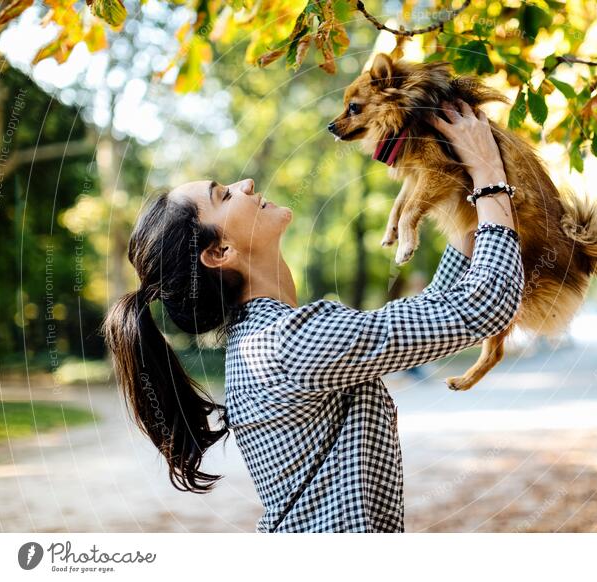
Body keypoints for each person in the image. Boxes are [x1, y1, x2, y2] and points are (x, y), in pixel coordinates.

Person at [103, 100, 523, 532]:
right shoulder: (287, 343)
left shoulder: (268, 339)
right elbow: (481, 307)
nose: (245, 183)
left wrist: (466, 190)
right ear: (219, 253)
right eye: (223, 195)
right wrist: (490, 176)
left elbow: (439, 310)